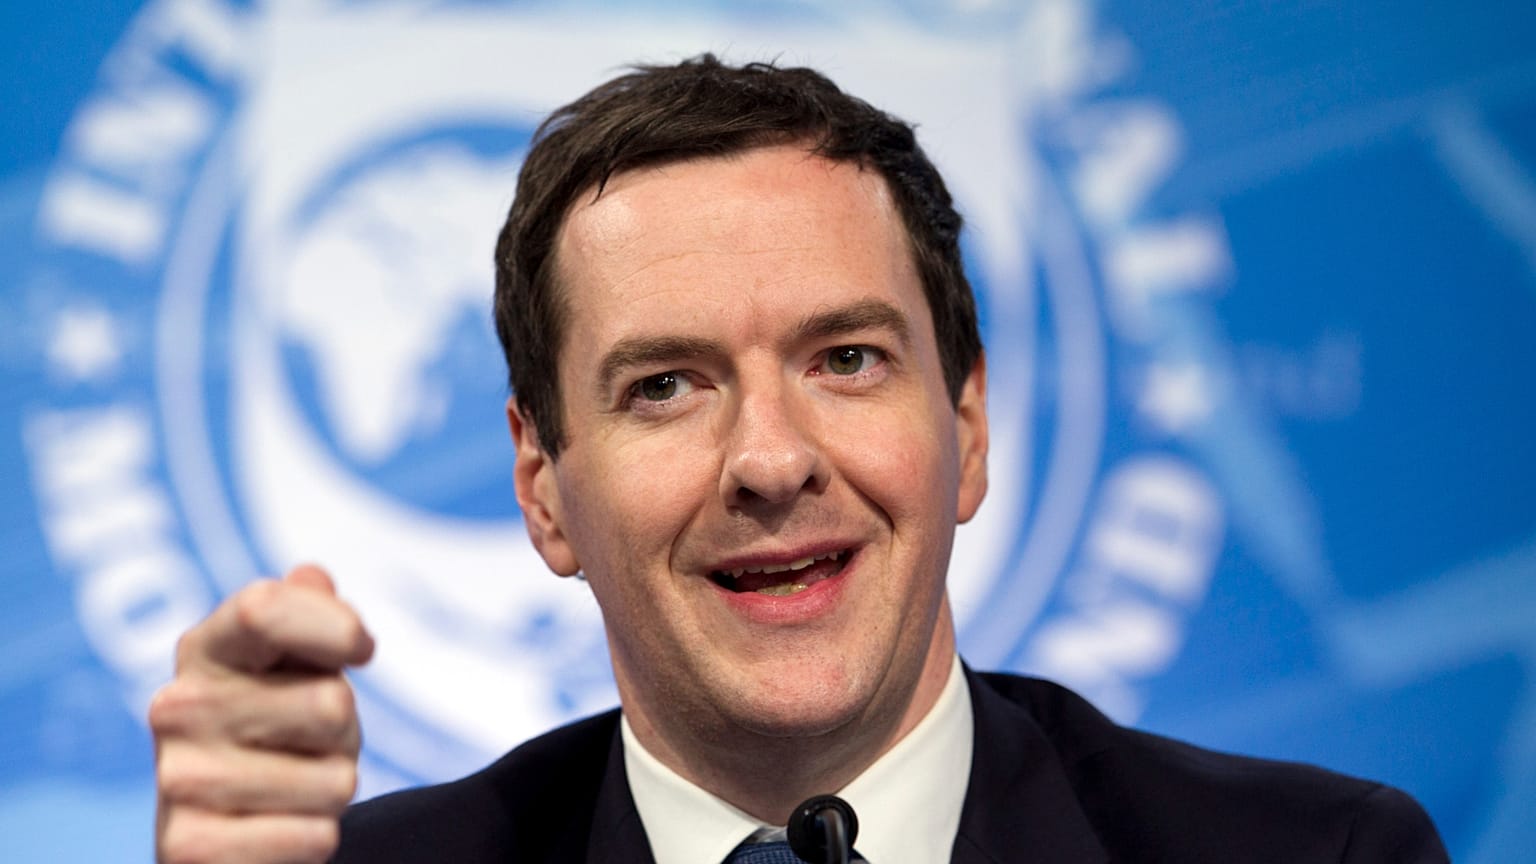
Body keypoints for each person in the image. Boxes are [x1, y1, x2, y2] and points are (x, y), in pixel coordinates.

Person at [149, 55, 1449, 864]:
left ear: (971, 425)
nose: (770, 460)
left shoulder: (1320, 855)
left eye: (847, 360)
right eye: (665, 386)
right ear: (543, 485)